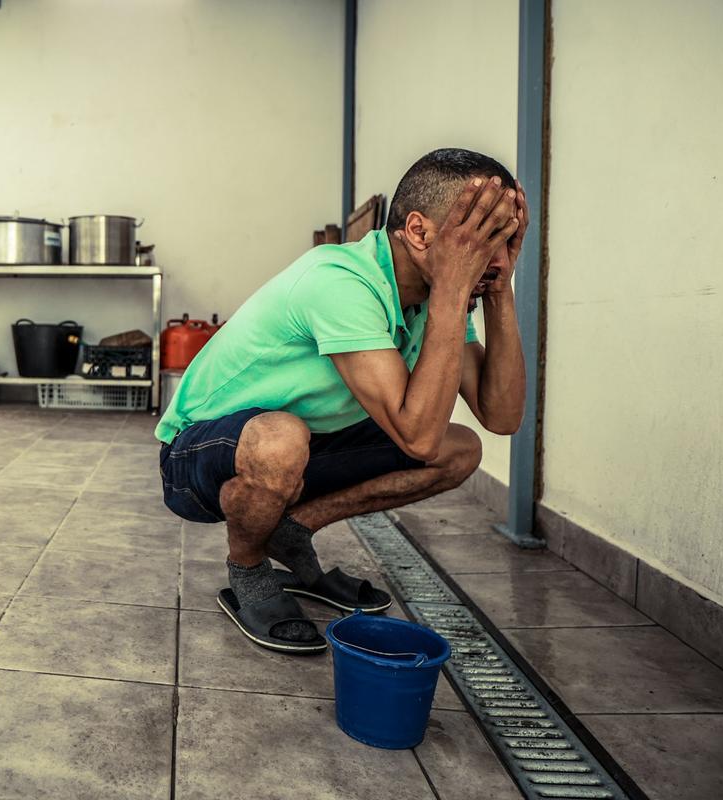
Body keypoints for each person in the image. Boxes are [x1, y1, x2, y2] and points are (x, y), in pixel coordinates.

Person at [156, 148, 528, 653]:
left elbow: (501, 416)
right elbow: (414, 432)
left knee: (458, 449)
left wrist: (500, 288)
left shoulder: (436, 293)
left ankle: (292, 530)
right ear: (418, 232)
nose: (498, 257)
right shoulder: (339, 282)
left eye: (507, 240)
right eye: (481, 239)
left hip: (307, 442)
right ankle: (247, 570)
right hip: (197, 455)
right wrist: (455, 293)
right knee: (280, 440)